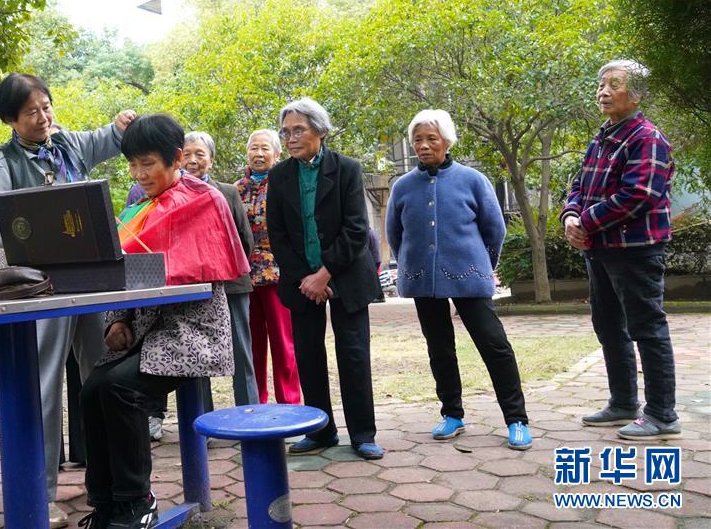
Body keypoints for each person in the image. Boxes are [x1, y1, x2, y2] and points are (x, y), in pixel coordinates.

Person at [0, 73, 135, 528]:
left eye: (46, 106)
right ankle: (39, 492)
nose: (43, 117)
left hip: (91, 281)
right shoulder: (0, 164)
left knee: (104, 375)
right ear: (10, 120)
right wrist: (40, 221)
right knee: (44, 386)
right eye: (31, 112)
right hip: (42, 288)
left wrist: (122, 124)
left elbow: (110, 138)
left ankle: (111, 483)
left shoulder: (69, 144)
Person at [79, 113, 249, 529]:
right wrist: (116, 320)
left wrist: (136, 303)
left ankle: (137, 501)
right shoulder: (139, 206)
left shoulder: (205, 200)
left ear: (175, 158)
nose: (139, 174)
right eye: (132, 165)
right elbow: (123, 272)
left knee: (119, 389)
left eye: (147, 164)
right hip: (146, 331)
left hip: (192, 331)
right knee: (91, 390)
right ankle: (106, 503)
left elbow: (190, 275)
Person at [385, 109, 532, 450]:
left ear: (447, 141)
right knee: (439, 349)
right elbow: (395, 234)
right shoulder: (402, 186)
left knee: (494, 345)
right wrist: (412, 264)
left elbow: (495, 229)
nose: (423, 145)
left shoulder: (473, 180)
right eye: (417, 140)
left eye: (431, 138)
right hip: (424, 282)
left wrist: (482, 265)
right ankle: (452, 414)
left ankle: (516, 418)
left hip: (470, 279)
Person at [561, 60, 679, 440]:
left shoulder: (647, 137)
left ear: (637, 94)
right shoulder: (603, 137)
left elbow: (637, 195)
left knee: (647, 328)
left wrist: (585, 222)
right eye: (601, 84)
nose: (604, 91)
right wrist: (570, 216)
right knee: (609, 327)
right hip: (601, 250)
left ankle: (662, 414)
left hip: (635, 251)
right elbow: (578, 185)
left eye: (615, 84)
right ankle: (624, 403)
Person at [266, 98, 384, 460]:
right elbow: (278, 234)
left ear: (320, 131)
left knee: (353, 354)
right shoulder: (279, 176)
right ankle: (320, 431)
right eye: (285, 132)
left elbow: (356, 229)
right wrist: (307, 278)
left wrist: (325, 273)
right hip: (301, 282)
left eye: (298, 130)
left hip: (346, 276)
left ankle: (362, 434)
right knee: (308, 355)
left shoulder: (347, 169)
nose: (290, 138)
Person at [140, 131, 259, 441]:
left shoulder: (226, 193)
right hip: (190, 292)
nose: (193, 160)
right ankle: (201, 425)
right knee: (197, 359)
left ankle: (248, 420)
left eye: (200, 154)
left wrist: (223, 271)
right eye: (188, 153)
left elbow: (243, 239)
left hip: (231, 287)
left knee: (242, 355)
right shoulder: (165, 197)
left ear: (211, 159)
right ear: (179, 158)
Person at [235, 130, 302, 405]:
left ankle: (290, 403)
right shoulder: (235, 190)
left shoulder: (286, 184)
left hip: (278, 274)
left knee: (284, 344)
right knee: (251, 346)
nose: (259, 154)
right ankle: (256, 404)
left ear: (277, 154)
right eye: (254, 148)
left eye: (265, 149)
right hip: (244, 277)